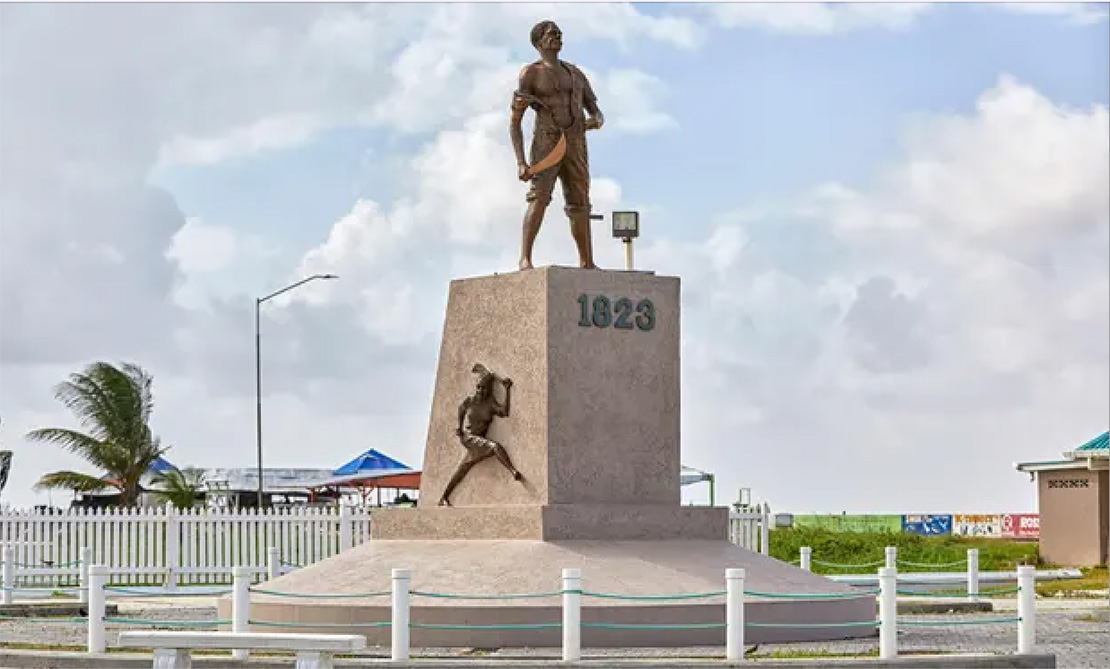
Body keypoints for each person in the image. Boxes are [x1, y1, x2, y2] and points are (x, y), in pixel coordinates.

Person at [509, 20, 605, 271]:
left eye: (559, 34)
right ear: (539, 42)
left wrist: (594, 121)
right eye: (552, 34)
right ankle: (525, 258)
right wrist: (521, 161)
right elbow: (515, 122)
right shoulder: (531, 74)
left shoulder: (576, 74)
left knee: (580, 201)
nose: (558, 37)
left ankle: (587, 261)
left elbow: (596, 111)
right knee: (539, 197)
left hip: (576, 144)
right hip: (547, 143)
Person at [438, 364, 523, 506]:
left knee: (463, 468)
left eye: (483, 388)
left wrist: (507, 390)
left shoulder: (490, 403)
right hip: (468, 437)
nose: (480, 391)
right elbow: (461, 410)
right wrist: (459, 428)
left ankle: (444, 497)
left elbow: (504, 412)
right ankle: (512, 470)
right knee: (495, 446)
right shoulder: (470, 401)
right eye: (478, 387)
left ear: (488, 390)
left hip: (479, 439)